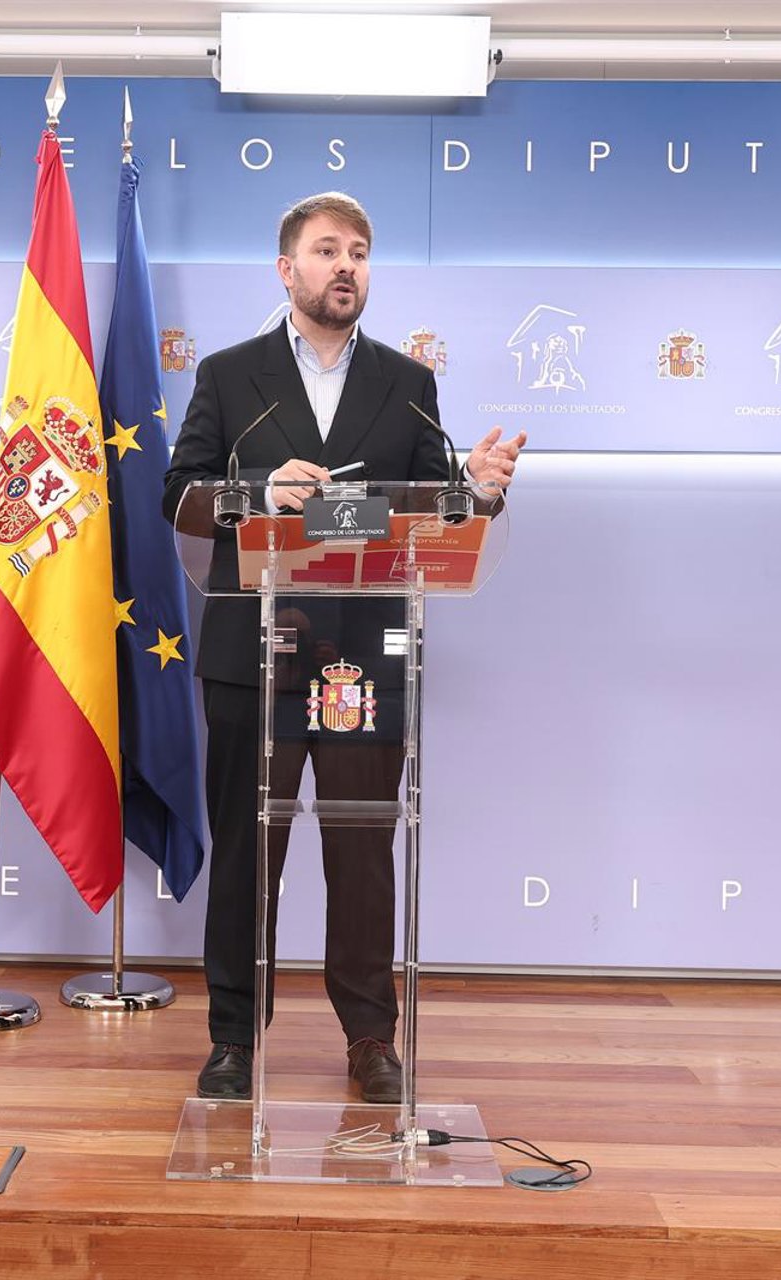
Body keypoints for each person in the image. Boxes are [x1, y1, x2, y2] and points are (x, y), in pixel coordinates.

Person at [162, 192, 525, 1103]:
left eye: (359, 252)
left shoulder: (408, 383)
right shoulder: (229, 376)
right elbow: (179, 494)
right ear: (287, 270)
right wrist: (256, 490)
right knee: (248, 852)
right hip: (252, 654)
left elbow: (437, 507)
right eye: (327, 251)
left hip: (364, 657)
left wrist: (479, 490)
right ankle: (234, 1037)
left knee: (362, 855)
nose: (346, 267)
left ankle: (370, 1040)